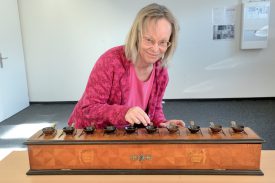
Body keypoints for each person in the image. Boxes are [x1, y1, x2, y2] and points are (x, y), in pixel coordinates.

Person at [68, 3, 184, 129]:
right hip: (86, 134)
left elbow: (154, 110)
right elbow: (89, 109)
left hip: (122, 135)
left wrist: (162, 123)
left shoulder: (161, 73)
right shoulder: (110, 61)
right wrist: (124, 113)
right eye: (149, 40)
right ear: (137, 36)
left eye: (162, 42)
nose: (155, 49)